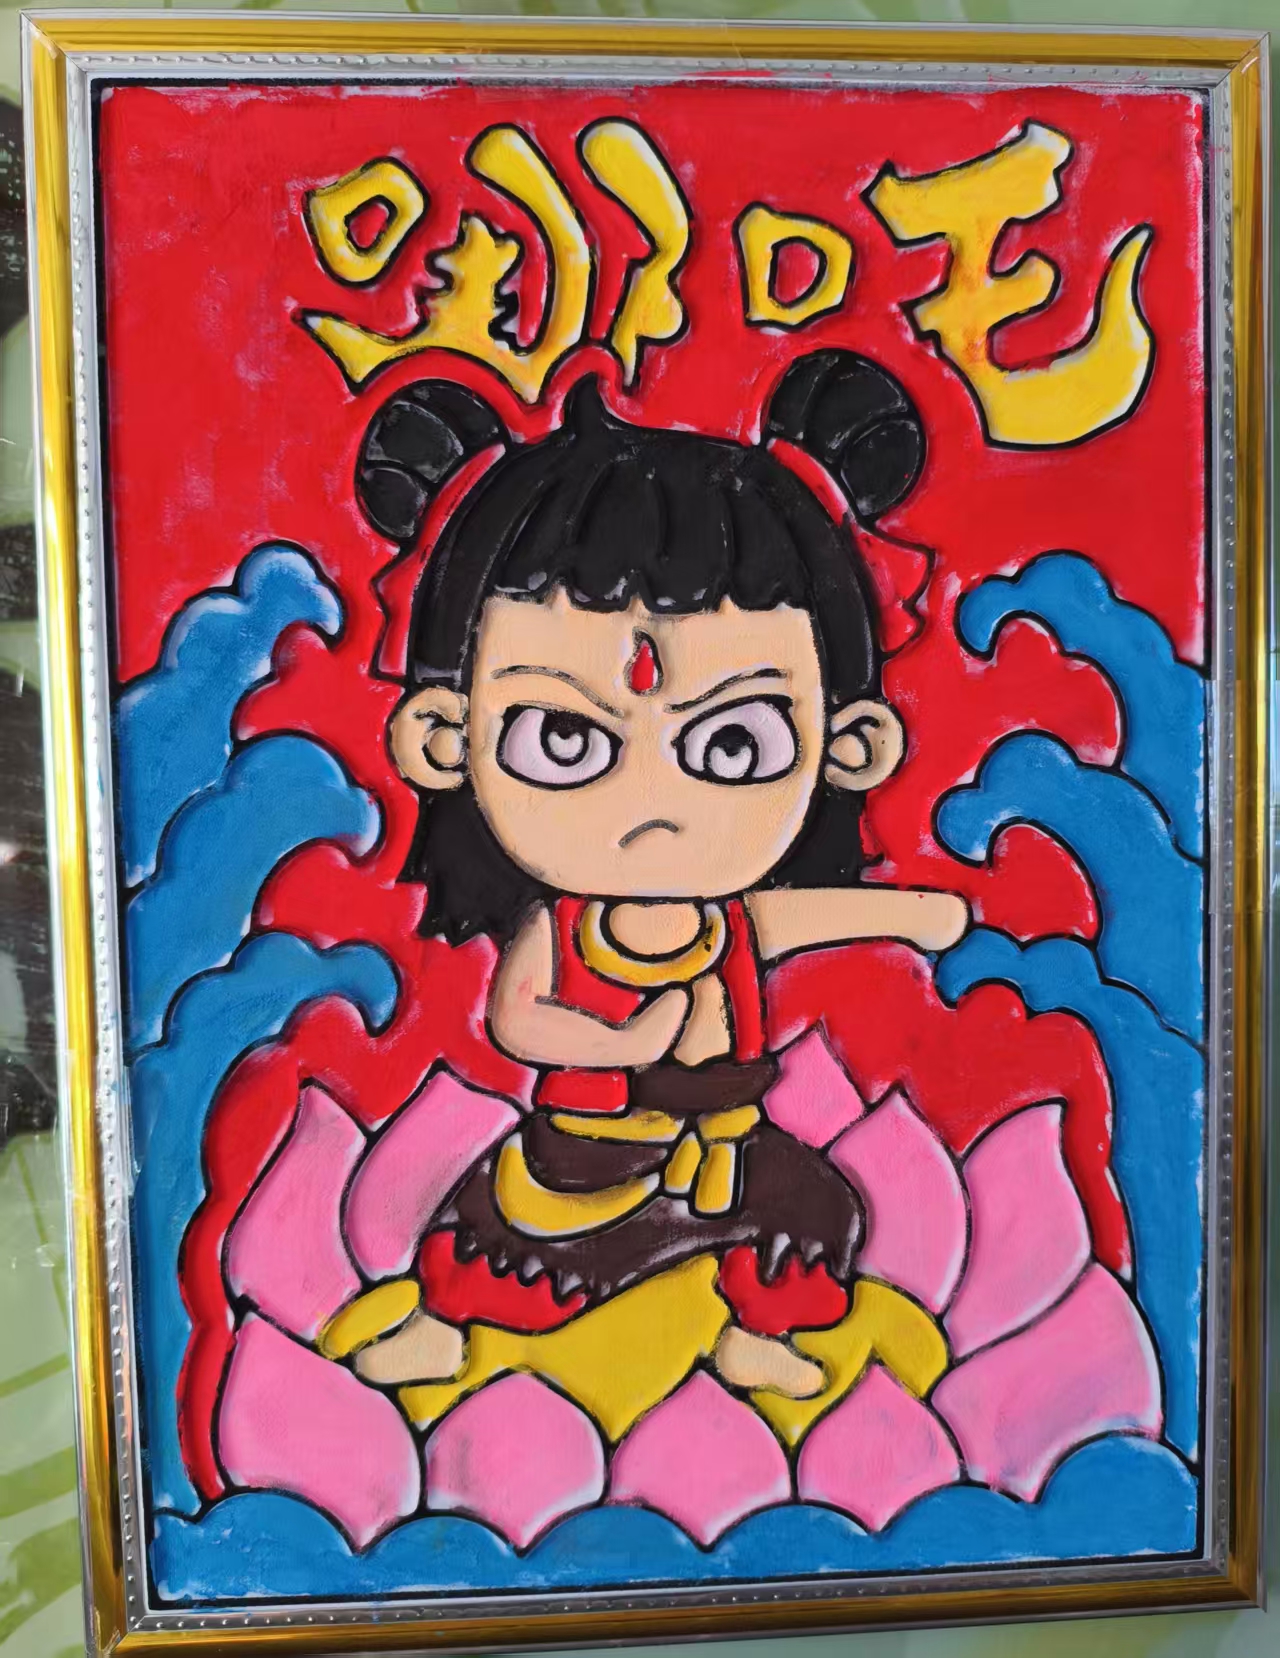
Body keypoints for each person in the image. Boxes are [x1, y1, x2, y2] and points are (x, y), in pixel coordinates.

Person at [331, 352, 968, 1411]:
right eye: (565, 739)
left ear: (848, 744)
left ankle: (756, 1337)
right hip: (586, 1151)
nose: (652, 801)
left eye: (731, 743)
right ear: (444, 737)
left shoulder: (728, 920)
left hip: (725, 1148)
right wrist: (625, 1044)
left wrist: (916, 914)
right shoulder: (564, 927)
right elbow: (520, 1017)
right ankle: (445, 1326)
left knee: (809, 1210)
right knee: (501, 1237)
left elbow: (798, 919)